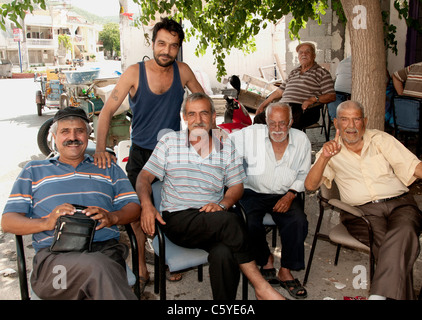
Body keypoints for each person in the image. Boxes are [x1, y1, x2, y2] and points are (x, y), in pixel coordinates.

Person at [137, 92, 286, 300]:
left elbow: (236, 186)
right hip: (178, 219)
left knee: (224, 253)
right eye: (192, 114)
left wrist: (224, 204)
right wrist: (146, 205)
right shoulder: (169, 142)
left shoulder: (225, 147)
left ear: (214, 116)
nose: (198, 120)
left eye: (204, 113)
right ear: (184, 118)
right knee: (232, 222)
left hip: (214, 218)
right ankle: (261, 286)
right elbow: (144, 177)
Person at [94, 17, 204, 287]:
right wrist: (100, 148)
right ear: (153, 43)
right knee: (136, 211)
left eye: (173, 46)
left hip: (172, 153)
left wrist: (204, 137)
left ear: (179, 48)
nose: (166, 50)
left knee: (170, 208)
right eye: (162, 43)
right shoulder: (134, 72)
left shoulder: (184, 71)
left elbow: (203, 107)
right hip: (141, 154)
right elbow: (106, 111)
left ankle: (169, 258)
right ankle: (142, 262)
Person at [1, 107, 141, 300]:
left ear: (88, 135)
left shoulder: (108, 168)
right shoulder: (34, 170)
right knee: (98, 268)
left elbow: (133, 208)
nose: (73, 137)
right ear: (53, 136)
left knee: (99, 267)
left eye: (79, 131)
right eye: (65, 131)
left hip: (104, 249)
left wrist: (112, 217)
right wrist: (46, 223)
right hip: (56, 261)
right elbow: (8, 222)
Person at [304, 100, 422, 300]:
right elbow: (310, 186)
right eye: (345, 120)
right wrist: (324, 158)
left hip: (400, 204)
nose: (351, 126)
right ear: (336, 123)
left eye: (356, 119)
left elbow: (414, 167)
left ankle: (378, 296)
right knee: (397, 246)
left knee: (403, 233)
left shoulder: (381, 139)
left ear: (364, 121)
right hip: (361, 213)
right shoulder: (331, 151)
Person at [230, 103, 311, 299]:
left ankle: (285, 270)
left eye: (282, 124)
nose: (276, 129)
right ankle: (265, 258)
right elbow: (224, 140)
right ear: (266, 122)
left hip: (286, 193)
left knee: (298, 221)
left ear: (290, 122)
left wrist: (291, 194)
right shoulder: (251, 134)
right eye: (272, 123)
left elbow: (304, 174)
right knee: (248, 221)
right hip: (253, 191)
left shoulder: (302, 140)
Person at [254, 42, 335, 129]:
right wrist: (263, 105)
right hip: (283, 106)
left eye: (307, 52)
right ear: (298, 56)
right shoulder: (294, 72)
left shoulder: (322, 73)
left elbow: (331, 96)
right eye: (300, 52)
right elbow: (279, 91)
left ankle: (286, 142)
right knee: (259, 119)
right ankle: (267, 142)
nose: (303, 54)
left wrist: (313, 99)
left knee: (286, 122)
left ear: (314, 55)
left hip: (304, 109)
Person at [327, 55, 352, 120]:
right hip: (338, 94)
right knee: (333, 102)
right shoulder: (343, 63)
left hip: (352, 95)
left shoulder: (342, 62)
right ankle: (339, 123)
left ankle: (340, 122)